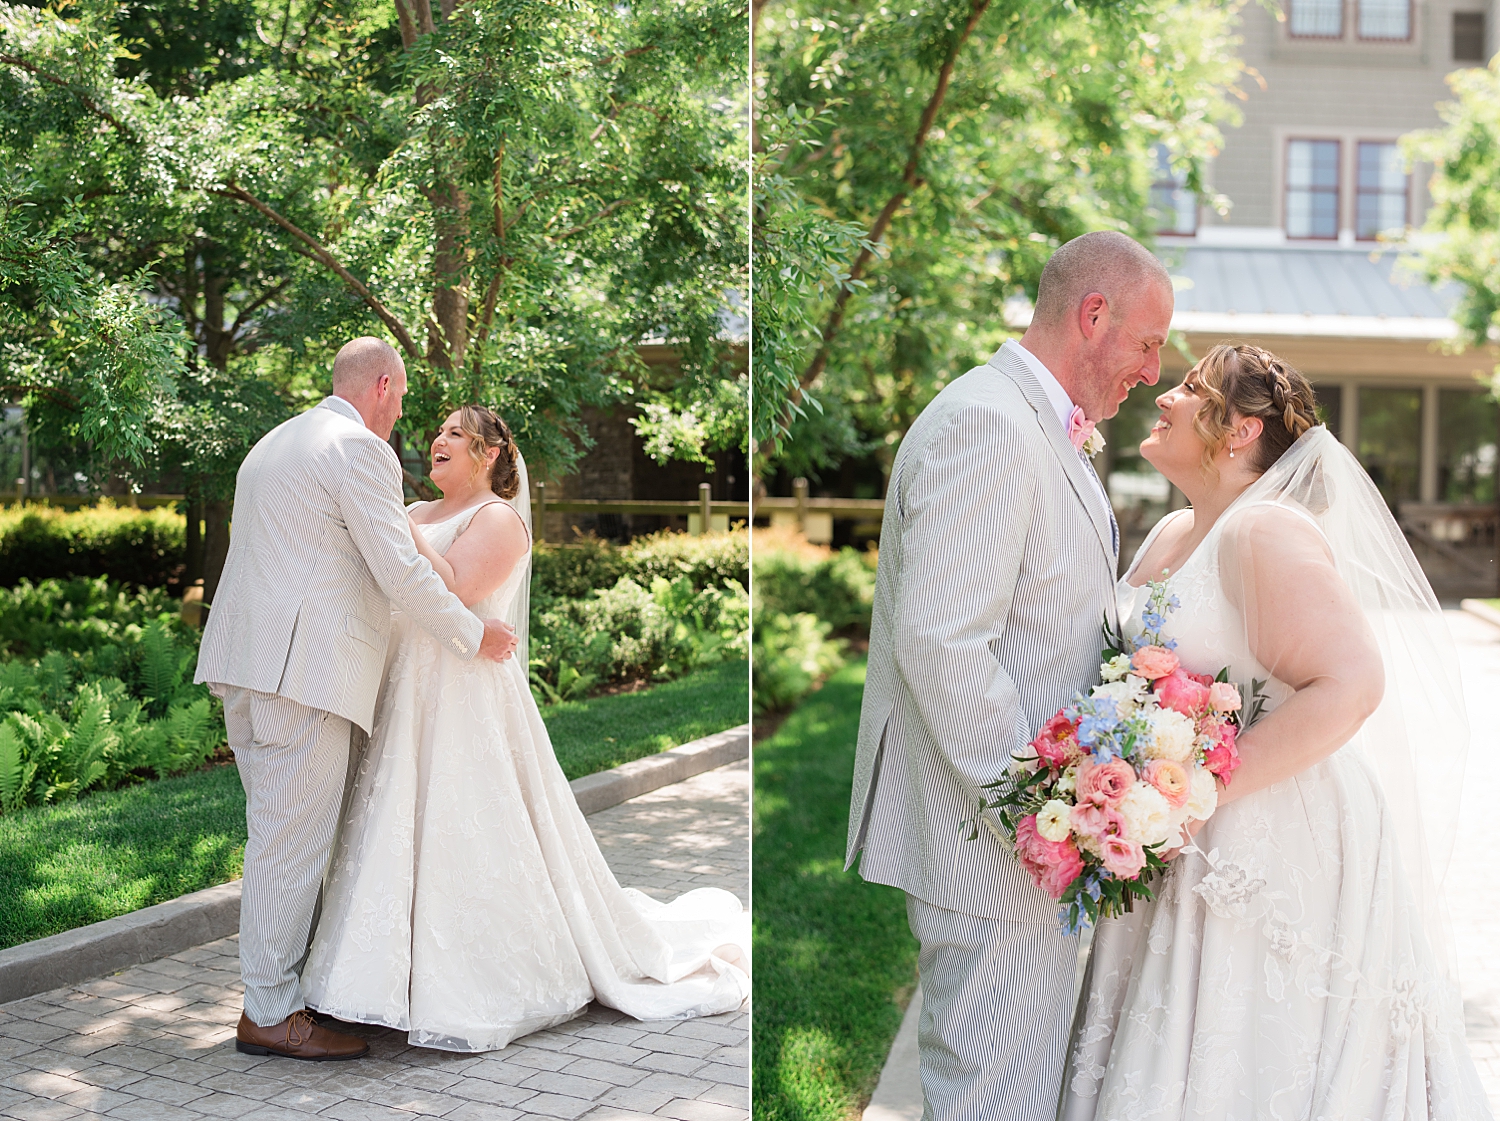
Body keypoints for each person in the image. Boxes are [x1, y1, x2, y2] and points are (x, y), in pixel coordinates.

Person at [1058, 344, 1492, 1119]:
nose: (1165, 396)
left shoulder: (1264, 532)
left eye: (1191, 389)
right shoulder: (1168, 534)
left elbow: (1352, 684)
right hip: (1176, 829)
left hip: (1266, 834)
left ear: (1240, 430)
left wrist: (1195, 789)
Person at [845, 230, 1175, 1120]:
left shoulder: (1036, 425)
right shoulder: (989, 422)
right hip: (993, 845)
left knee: (1022, 1087)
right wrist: (1045, 818)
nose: (1151, 371)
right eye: (1148, 343)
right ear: (1093, 315)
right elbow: (945, 641)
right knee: (993, 1094)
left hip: (1026, 840)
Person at [301, 404, 750, 1052]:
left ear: (489, 453)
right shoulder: (416, 516)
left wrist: (395, 516)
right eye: (438, 430)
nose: (437, 440)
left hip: (465, 699)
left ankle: (467, 982)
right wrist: (397, 519)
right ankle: (374, 984)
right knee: (391, 826)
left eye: (454, 432)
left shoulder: (498, 521)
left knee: (462, 827)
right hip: (401, 691)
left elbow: (453, 586)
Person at [194, 337, 518, 1061]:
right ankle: (272, 1013)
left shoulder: (276, 442)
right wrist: (472, 635)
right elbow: (400, 568)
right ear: (381, 384)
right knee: (291, 843)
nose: (404, 414)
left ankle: (279, 992)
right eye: (402, 397)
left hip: (244, 664)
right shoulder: (358, 450)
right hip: (302, 671)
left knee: (275, 833)